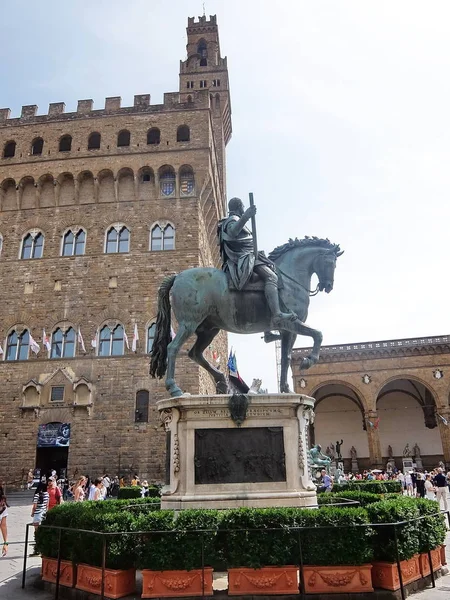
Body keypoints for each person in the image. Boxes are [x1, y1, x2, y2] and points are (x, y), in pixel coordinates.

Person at [217, 197, 297, 328]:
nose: (243, 209)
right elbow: (232, 232)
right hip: (244, 258)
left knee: (273, 270)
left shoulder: (234, 219)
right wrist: (247, 216)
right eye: (242, 207)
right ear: (239, 207)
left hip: (251, 255)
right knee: (272, 277)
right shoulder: (233, 219)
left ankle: (268, 324)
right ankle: (276, 314)